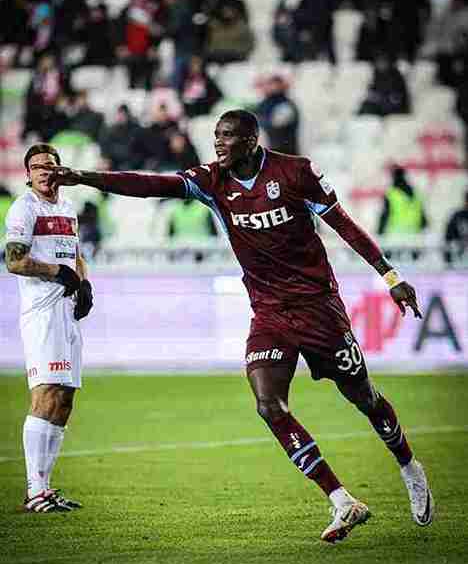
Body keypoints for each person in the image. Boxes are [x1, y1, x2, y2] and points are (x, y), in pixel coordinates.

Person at [47, 110, 433, 541]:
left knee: (364, 397)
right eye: (216, 135)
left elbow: (344, 225)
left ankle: (409, 467)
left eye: (227, 136)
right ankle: (342, 500)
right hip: (269, 314)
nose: (218, 142)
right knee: (269, 405)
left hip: (319, 308)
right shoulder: (213, 181)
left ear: (251, 141)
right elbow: (152, 184)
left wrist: (390, 276)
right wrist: (83, 177)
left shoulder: (296, 173)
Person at [5, 143, 94, 513]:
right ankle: (35, 491)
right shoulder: (24, 208)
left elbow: (75, 253)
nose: (43, 171)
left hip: (66, 311)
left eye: (49, 165)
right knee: (45, 394)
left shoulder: (67, 207)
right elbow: (14, 261)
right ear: (28, 174)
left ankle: (45, 488)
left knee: (64, 398)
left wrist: (84, 283)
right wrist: (57, 272)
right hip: (41, 313)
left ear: (60, 170)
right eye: (36, 167)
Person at [444, 189, 468, 266]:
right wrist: (448, 260)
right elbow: (448, 239)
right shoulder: (457, 216)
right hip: (460, 260)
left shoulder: (457, 216)